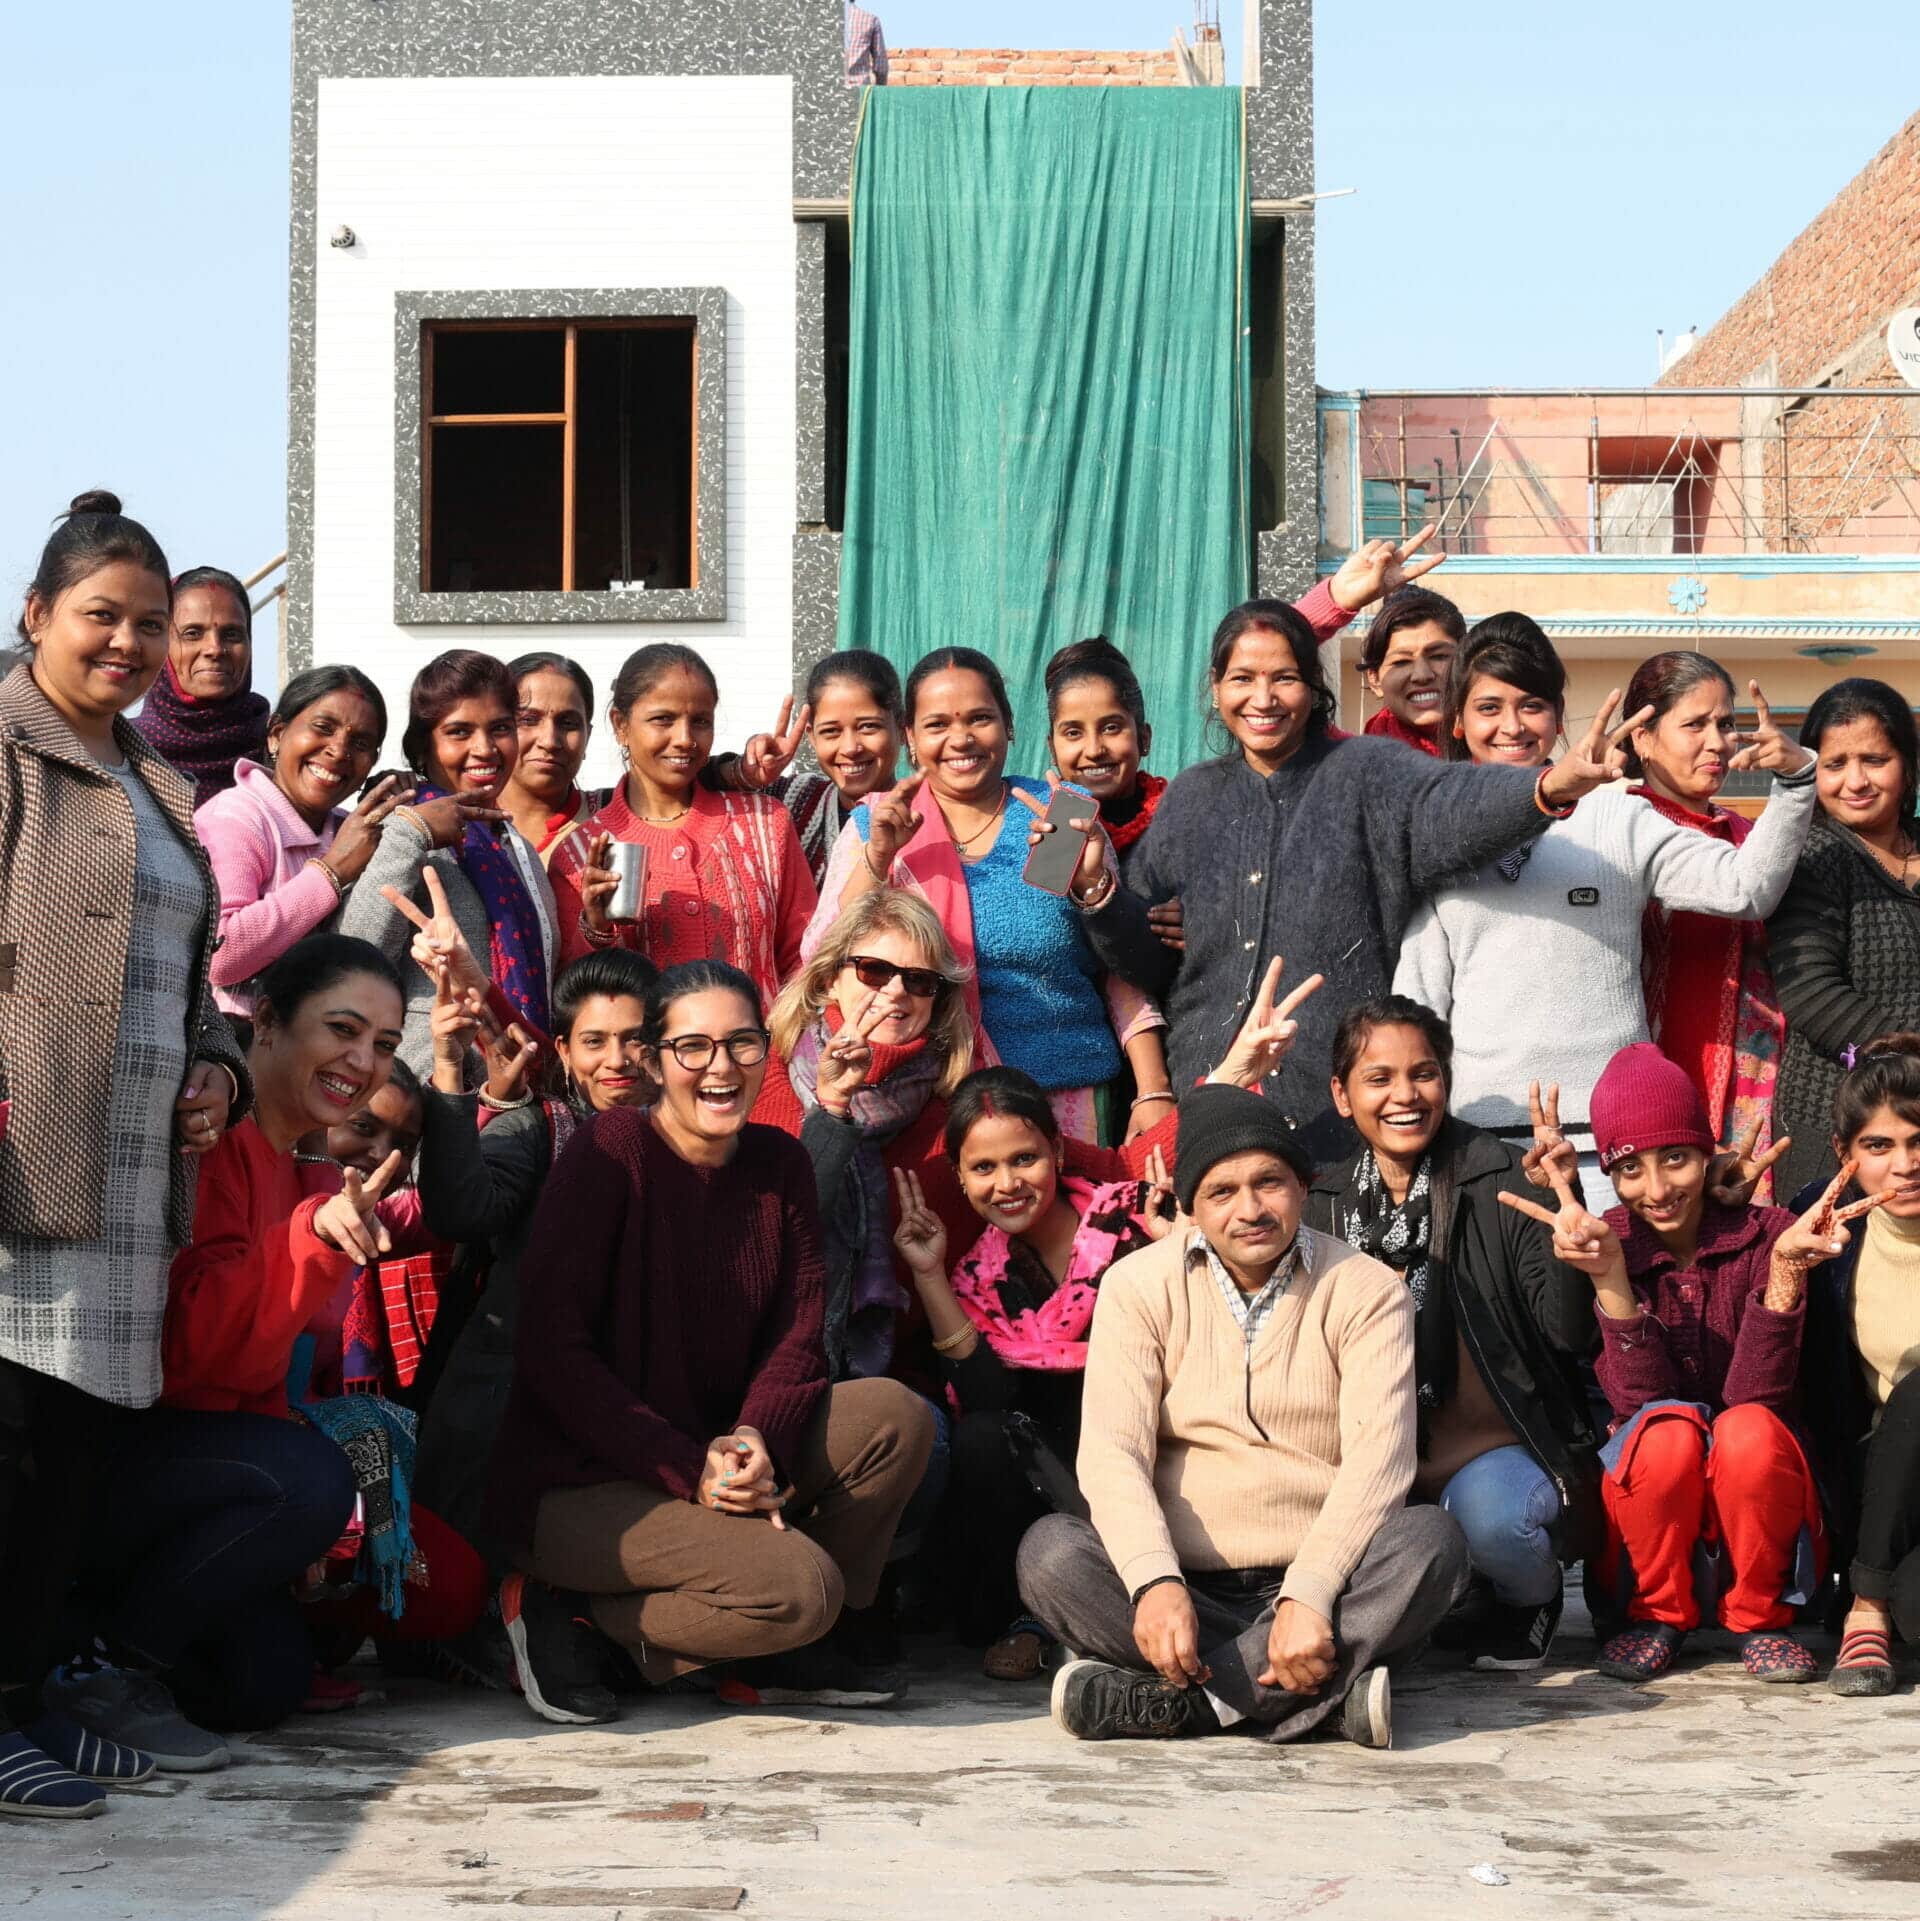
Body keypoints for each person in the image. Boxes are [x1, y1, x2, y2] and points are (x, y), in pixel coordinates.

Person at [486, 961, 934, 1722]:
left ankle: (771, 1646)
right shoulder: (610, 1150)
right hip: (582, 1484)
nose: (720, 1067)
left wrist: (758, 1436)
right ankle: (572, 1613)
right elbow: (554, 1353)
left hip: (716, 1457)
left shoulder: (780, 1162)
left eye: (742, 1043)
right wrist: (690, 1467)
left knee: (897, 1418)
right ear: (655, 1060)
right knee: (806, 1586)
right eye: (692, 1047)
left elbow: (797, 1339)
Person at [54, 938, 462, 1761]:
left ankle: (121, 1634)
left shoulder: (307, 1163)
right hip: (119, 1454)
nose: (363, 1061)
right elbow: (193, 1354)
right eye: (343, 1029)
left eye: (384, 1045)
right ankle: (99, 1668)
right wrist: (308, 1240)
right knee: (312, 1477)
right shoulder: (205, 1129)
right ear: (267, 1020)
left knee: (264, 1684)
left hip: (213, 1463)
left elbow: (259, 1375)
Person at [1, 492, 249, 1818]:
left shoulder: (158, 780)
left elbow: (193, 988)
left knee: (78, 1447)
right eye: (103, 616)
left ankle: (31, 1690)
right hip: (21, 1155)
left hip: (131, 1177)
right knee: (15, 1446)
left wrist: (213, 1069)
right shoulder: (8, 750)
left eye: (149, 624)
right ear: (36, 615)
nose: (130, 644)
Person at [1074, 574, 1635, 1161]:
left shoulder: (1369, 771)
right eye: (1242, 679)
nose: (1262, 700)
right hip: (1210, 1106)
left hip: (1339, 1120)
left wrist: (1549, 787)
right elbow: (1144, 961)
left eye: (1284, 678)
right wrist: (1099, 892)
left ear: (1314, 687)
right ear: (1215, 689)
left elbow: (1450, 808)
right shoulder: (1190, 799)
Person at [1017, 1082, 1469, 1749]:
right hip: (1184, 1586)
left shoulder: (1367, 1288)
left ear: (1303, 1185)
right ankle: (1319, 1698)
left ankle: (1189, 1706)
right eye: (1222, 1192)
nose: (1251, 1208)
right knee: (1049, 1554)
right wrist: (1153, 1579)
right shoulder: (1138, 1285)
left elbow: (1383, 1460)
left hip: (1326, 1584)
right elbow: (1113, 1451)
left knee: (1433, 1543)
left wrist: (1309, 1594)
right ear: (1191, 1206)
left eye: (1270, 1181)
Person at [1394, 615, 1816, 1211]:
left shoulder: (1618, 819)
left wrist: (1797, 780)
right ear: (1457, 721)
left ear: (1559, 719)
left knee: (1615, 1305)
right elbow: (1418, 1010)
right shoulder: (1435, 838)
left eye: (1532, 705)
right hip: (1478, 1145)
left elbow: (1744, 889)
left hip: (1618, 1150)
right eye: (1489, 707)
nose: (1511, 726)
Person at [1500, 1044, 1850, 1685]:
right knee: (1662, 1433)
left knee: (1746, 1430)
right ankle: (1657, 1615)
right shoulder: (1603, 1241)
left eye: (1677, 1159)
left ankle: (1760, 1619)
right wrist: (1610, 1280)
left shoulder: (1769, 1234)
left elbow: (1757, 1400)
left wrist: (1784, 1275)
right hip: (1655, 1525)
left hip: (1762, 1502)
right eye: (1629, 1168)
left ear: (1707, 1153)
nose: (1657, 1190)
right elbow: (1645, 1406)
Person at [1305, 996, 1601, 1670]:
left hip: (1488, 1450)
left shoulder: (1502, 1174)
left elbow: (1568, 1331)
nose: (1405, 1095)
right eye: (1378, 1078)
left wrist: (1569, 1216)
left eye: (1425, 1073)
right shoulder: (1322, 1205)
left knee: (1496, 1525)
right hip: (1370, 1453)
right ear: (1342, 1095)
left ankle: (1528, 1599)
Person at [805, 645, 1169, 1142]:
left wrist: (1152, 1090)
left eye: (980, 718)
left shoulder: (1053, 819)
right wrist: (879, 860)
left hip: (1063, 1108)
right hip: (927, 1109)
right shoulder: (882, 823)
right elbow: (822, 959)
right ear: (910, 737)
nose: (961, 739)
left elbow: (1116, 975)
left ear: (1009, 725)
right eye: (937, 725)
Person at [412, 943, 660, 1574]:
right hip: (510, 1415)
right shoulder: (539, 1128)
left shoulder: (691, 1143)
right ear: (564, 1051)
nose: (615, 1061)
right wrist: (447, 1068)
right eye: (594, 1041)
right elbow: (463, 1212)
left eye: (633, 1040)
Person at [551, 645, 817, 1012]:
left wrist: (779, 1059)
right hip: (644, 1069)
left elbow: (806, 959)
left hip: (761, 1064)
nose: (685, 739)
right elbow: (575, 999)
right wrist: (595, 928)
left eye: (700, 721)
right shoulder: (581, 855)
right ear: (620, 724)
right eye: (663, 720)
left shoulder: (765, 825)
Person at [339, 650, 558, 1072]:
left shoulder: (517, 848)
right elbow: (354, 953)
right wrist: (412, 833)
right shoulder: (395, 829)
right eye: (459, 732)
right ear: (424, 746)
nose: (485, 749)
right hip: (429, 1089)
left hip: (514, 1090)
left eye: (500, 728)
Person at [1623, 650, 1788, 1195]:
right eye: (1694, 724)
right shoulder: (1612, 830)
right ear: (1643, 737)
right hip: (1649, 1086)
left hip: (1755, 1095)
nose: (1718, 742)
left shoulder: (1750, 837)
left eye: (1725, 724)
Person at [1796, 1036, 1920, 1696]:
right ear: (1847, 1155)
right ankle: (1872, 1599)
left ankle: (1869, 1601)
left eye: (1918, 1139)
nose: (1905, 1164)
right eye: (1879, 1146)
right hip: (1888, 1490)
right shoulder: (1824, 1225)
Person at [1768, 679, 1920, 1204]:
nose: (1855, 781)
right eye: (1835, 764)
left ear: (1907, 765)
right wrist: (1911, 1058)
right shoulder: (1810, 854)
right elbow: (1811, 991)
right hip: (1836, 1120)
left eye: (1875, 760)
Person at [196, 666, 409, 1019]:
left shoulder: (354, 831)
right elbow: (222, 954)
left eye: (360, 743)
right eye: (323, 728)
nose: (339, 751)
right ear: (276, 735)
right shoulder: (235, 817)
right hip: (241, 1054)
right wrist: (331, 873)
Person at [715, 652, 908, 885]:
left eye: (868, 727)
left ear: (902, 728)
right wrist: (743, 773)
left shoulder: (925, 815)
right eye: (831, 731)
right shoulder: (795, 801)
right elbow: (683, 788)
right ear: (812, 736)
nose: (850, 748)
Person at [131, 565, 271, 808]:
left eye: (232, 635)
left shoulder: (278, 752)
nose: (215, 649)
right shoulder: (121, 750)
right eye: (193, 633)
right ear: (162, 642)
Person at [497, 652, 604, 867]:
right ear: (497, 729)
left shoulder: (614, 820)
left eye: (568, 724)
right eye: (528, 720)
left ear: (588, 736)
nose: (550, 741)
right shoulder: (459, 822)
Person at [1358, 586, 1465, 756]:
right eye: (1402, 662)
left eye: (1439, 656)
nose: (1422, 675)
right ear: (1374, 679)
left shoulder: (1509, 745)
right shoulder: (1354, 769)